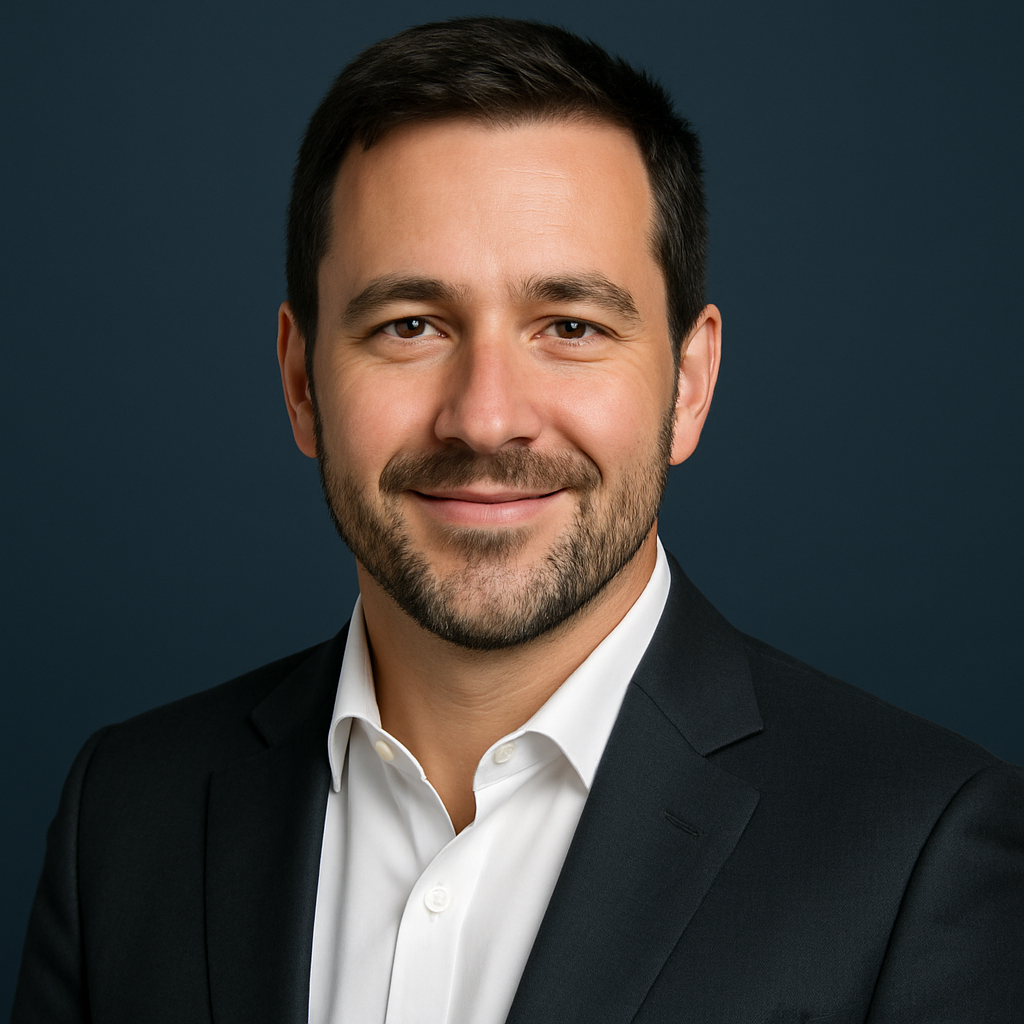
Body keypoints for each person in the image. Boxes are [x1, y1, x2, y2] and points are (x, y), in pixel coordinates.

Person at [12, 16, 1022, 1024]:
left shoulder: (918, 853)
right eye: (409, 325)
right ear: (299, 381)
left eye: (570, 327)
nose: (486, 416)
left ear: (689, 384)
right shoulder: (124, 814)